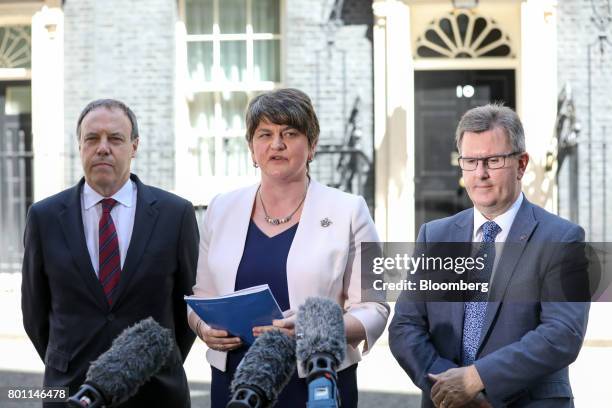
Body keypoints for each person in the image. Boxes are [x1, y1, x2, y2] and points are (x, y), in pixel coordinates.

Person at [188, 88, 389, 407]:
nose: (276, 144)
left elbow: (374, 309)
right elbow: (202, 296)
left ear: (312, 145)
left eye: (290, 133)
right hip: (236, 380)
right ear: (252, 150)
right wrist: (203, 328)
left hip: (315, 381)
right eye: (264, 134)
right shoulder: (220, 208)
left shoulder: (349, 210)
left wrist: (316, 327)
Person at [388, 104, 589, 408]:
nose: (480, 174)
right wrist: (451, 386)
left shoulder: (561, 238)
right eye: (470, 161)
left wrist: (477, 379)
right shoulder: (435, 236)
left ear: (521, 164)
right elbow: (405, 327)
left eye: (493, 160)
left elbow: (562, 334)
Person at [21, 99, 199, 407]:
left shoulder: (176, 214)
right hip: (70, 391)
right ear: (80, 146)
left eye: (115, 138)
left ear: (134, 146)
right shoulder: (44, 217)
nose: (103, 147)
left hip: (155, 391)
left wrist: (153, 361)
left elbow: (190, 309)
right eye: (92, 138)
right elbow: (35, 315)